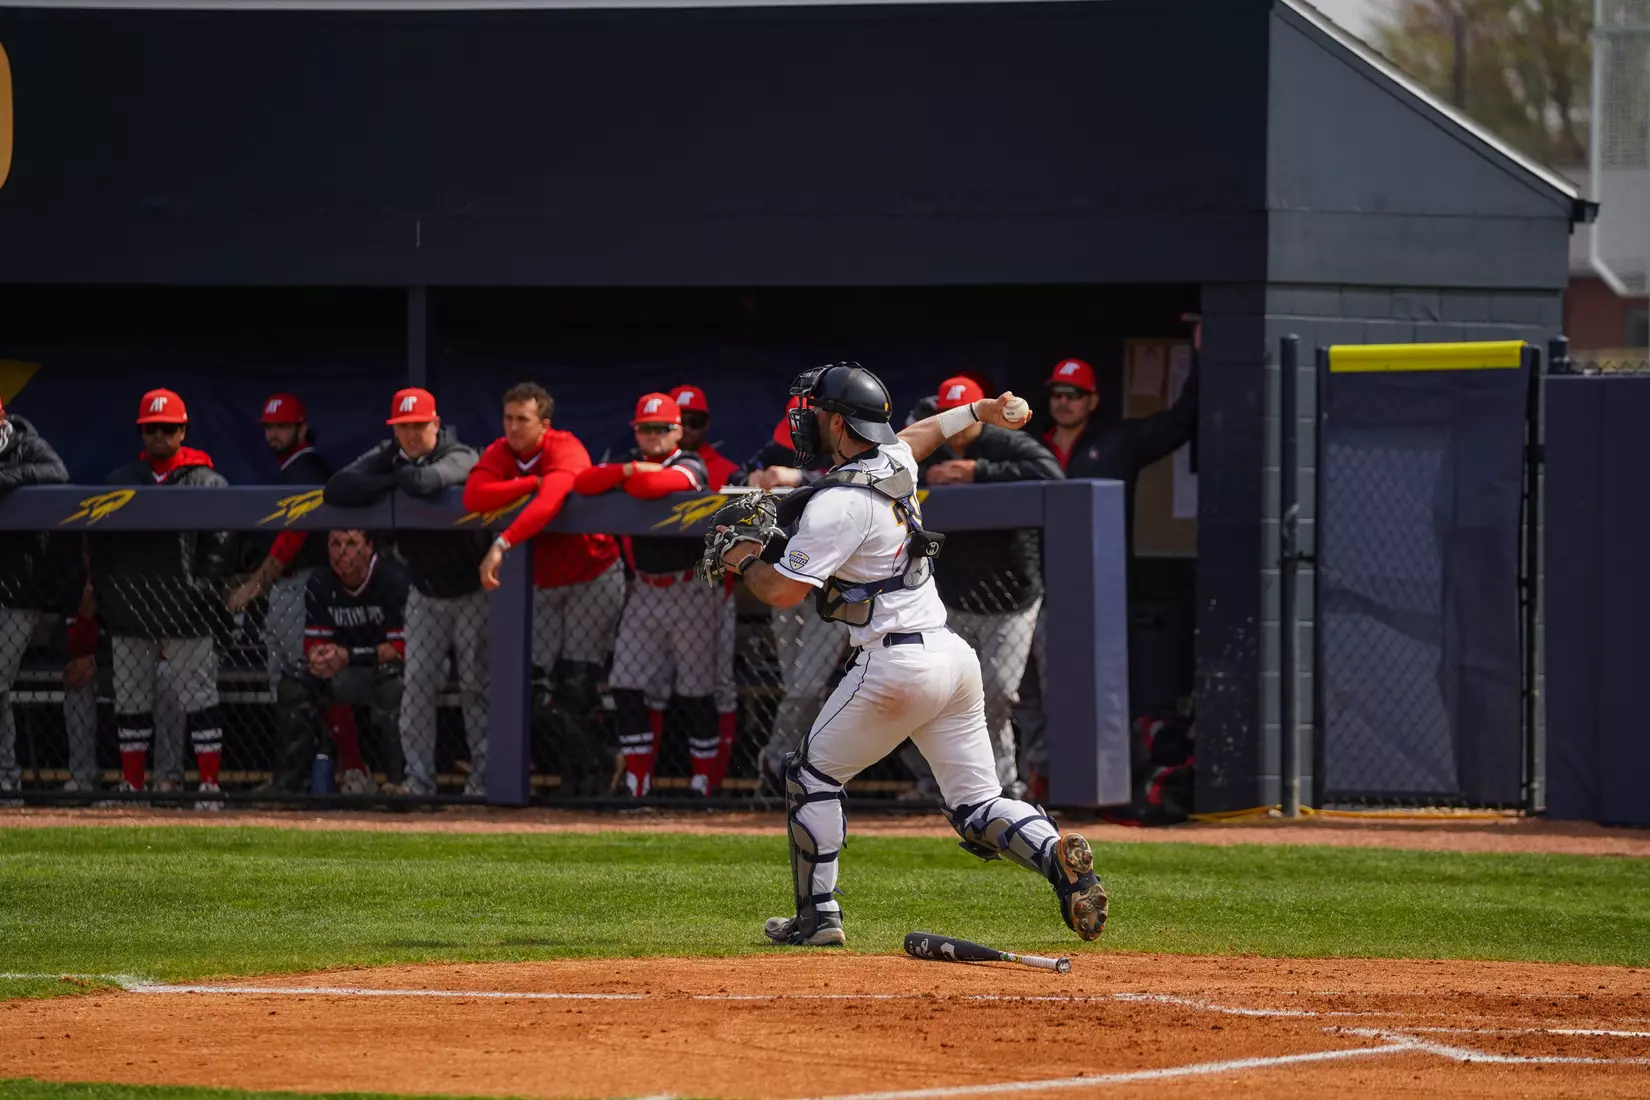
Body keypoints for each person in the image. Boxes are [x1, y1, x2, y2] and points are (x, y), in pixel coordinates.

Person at [708, 361, 1107, 947]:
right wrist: (980, 410)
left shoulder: (837, 503)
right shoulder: (891, 463)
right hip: (951, 657)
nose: (806, 420)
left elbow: (784, 591)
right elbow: (920, 436)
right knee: (978, 804)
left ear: (841, 423)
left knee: (811, 776)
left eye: (816, 412)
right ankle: (1056, 857)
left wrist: (741, 558)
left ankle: (818, 918)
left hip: (892, 664)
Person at [898, 376, 1063, 801]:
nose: (958, 431)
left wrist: (979, 472)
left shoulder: (1003, 443)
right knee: (930, 692)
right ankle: (946, 781)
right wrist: (927, 475)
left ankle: (1001, 785)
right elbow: (887, 468)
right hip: (952, 592)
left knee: (997, 692)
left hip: (1011, 595)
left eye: (966, 419)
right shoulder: (928, 439)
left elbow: (1053, 474)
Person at [324, 387, 488, 798]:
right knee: (415, 688)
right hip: (425, 593)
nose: (411, 435)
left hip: (473, 592)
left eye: (418, 426)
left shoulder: (462, 453)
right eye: (403, 427)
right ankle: (417, 782)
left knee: (477, 688)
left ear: (435, 424)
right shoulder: (392, 453)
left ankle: (483, 784)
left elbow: (427, 480)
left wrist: (390, 476)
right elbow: (337, 488)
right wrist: (394, 473)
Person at [464, 382, 624, 794]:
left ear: (544, 424)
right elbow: (474, 495)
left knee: (576, 682)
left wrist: (502, 542)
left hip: (592, 573)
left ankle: (594, 778)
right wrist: (528, 484)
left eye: (524, 420)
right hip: (546, 582)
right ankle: (587, 767)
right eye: (509, 419)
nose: (514, 428)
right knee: (537, 688)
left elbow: (552, 498)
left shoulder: (564, 447)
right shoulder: (500, 452)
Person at [87, 389, 231, 808]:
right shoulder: (121, 482)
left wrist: (200, 589)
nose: (160, 435)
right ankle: (132, 787)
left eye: (168, 428)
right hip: (131, 609)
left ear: (183, 430)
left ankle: (208, 786)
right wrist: (111, 596)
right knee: (131, 703)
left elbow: (222, 545)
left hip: (187, 610)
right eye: (152, 428)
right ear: (141, 432)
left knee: (200, 699)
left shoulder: (207, 480)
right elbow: (101, 550)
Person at [573, 392, 715, 797]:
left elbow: (657, 483)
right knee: (625, 682)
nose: (652, 435)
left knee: (695, 689)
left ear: (676, 431)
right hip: (646, 591)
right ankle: (638, 780)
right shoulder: (633, 462)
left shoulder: (689, 461)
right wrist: (630, 470)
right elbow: (583, 481)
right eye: (644, 429)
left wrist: (628, 472)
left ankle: (701, 782)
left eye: (660, 428)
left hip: (690, 588)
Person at [728, 400, 849, 790]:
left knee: (806, 686)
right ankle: (803, 765)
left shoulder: (846, 443)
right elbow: (737, 472)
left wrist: (798, 476)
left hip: (833, 586)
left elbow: (850, 476)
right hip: (787, 579)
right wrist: (755, 476)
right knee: (797, 683)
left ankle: (777, 759)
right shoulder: (781, 445)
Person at [639, 384, 740, 793]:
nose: (692, 429)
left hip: (714, 589)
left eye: (697, 421)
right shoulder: (645, 463)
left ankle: (712, 782)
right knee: (653, 685)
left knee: (716, 686)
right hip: (657, 589)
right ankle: (642, 781)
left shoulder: (725, 468)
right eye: (686, 422)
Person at [272, 529, 408, 793]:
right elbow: (314, 643)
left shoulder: (392, 578)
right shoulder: (321, 581)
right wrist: (319, 657)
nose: (341, 552)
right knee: (296, 685)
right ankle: (291, 787)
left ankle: (399, 782)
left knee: (394, 684)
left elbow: (402, 647)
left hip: (389, 670)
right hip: (346, 670)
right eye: (335, 543)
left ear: (369, 547)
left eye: (351, 544)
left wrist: (350, 655)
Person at [0, 398, 68, 796]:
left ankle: (6, 775)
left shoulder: (27, 443)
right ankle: (6, 774)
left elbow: (58, 473)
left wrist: (7, 479)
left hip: (18, 590)